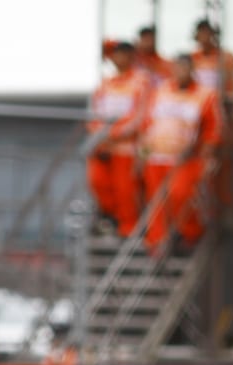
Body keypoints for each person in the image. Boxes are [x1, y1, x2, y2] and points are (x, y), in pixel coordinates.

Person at [140, 53, 222, 252]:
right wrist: (143, 151)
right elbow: (148, 122)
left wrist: (208, 153)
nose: (180, 73)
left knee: (181, 195)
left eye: (184, 68)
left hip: (187, 158)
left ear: (192, 70)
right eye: (177, 68)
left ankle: (189, 233)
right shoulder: (160, 91)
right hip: (157, 156)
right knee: (157, 200)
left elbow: (213, 128)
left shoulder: (206, 94)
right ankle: (157, 243)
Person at [87, 41, 151, 238]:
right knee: (97, 181)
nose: (118, 58)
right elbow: (94, 112)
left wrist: (114, 134)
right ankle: (111, 219)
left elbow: (140, 116)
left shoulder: (141, 82)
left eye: (123, 54)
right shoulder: (106, 83)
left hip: (127, 148)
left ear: (132, 57)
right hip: (104, 147)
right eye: (116, 54)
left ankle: (128, 230)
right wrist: (100, 135)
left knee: (126, 190)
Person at [190, 19, 233, 211]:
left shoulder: (227, 59)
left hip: (222, 124)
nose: (205, 38)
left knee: (223, 171)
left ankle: (223, 212)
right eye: (201, 33)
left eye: (209, 33)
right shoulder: (192, 59)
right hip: (196, 127)